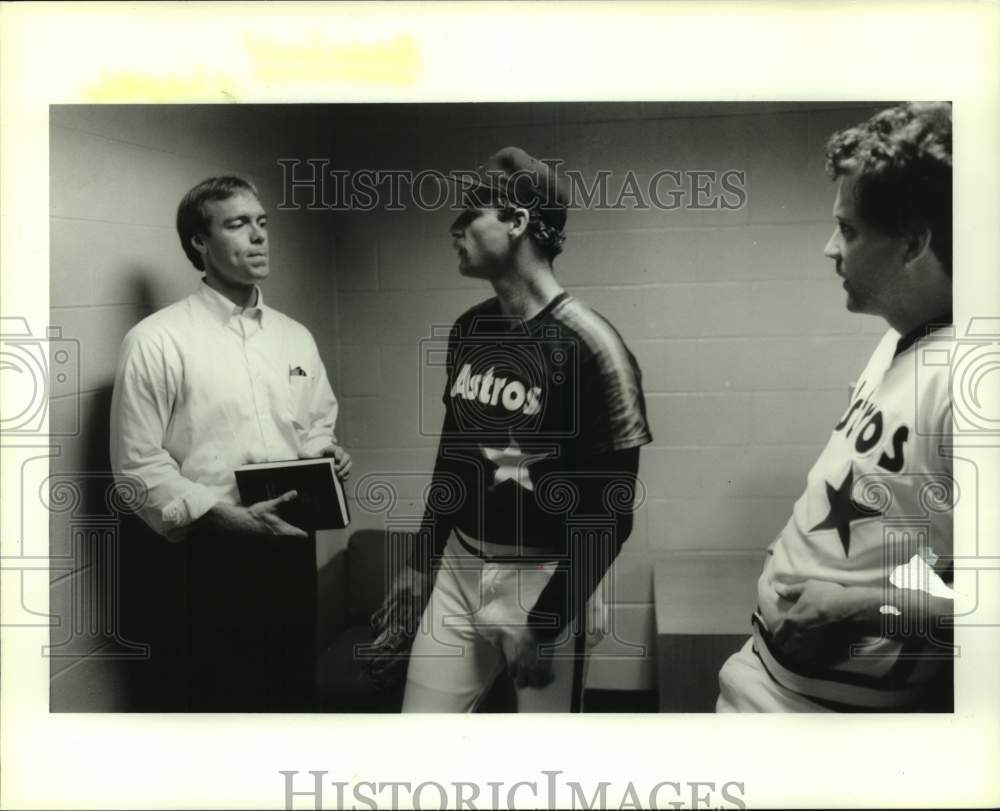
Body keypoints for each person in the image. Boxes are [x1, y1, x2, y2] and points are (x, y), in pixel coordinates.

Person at [370, 147, 653, 712]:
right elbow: (453, 456)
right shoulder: (469, 328)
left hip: (542, 577)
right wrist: (419, 562)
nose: (454, 228)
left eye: (470, 214)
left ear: (517, 221)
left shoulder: (595, 347)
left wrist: (548, 619)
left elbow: (612, 512)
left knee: (542, 768)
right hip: (458, 565)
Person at [717, 102, 955, 712]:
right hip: (767, 675)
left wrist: (858, 608)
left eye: (848, 230)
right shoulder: (903, 337)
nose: (830, 248)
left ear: (914, 243)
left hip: (828, 717)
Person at [110, 175, 351, 711]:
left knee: (290, 695)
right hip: (208, 556)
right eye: (238, 224)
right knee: (225, 705)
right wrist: (222, 515)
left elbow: (315, 424)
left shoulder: (295, 336)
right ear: (200, 241)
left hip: (290, 542)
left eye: (262, 223)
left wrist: (324, 452)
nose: (259, 236)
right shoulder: (156, 341)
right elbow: (136, 465)